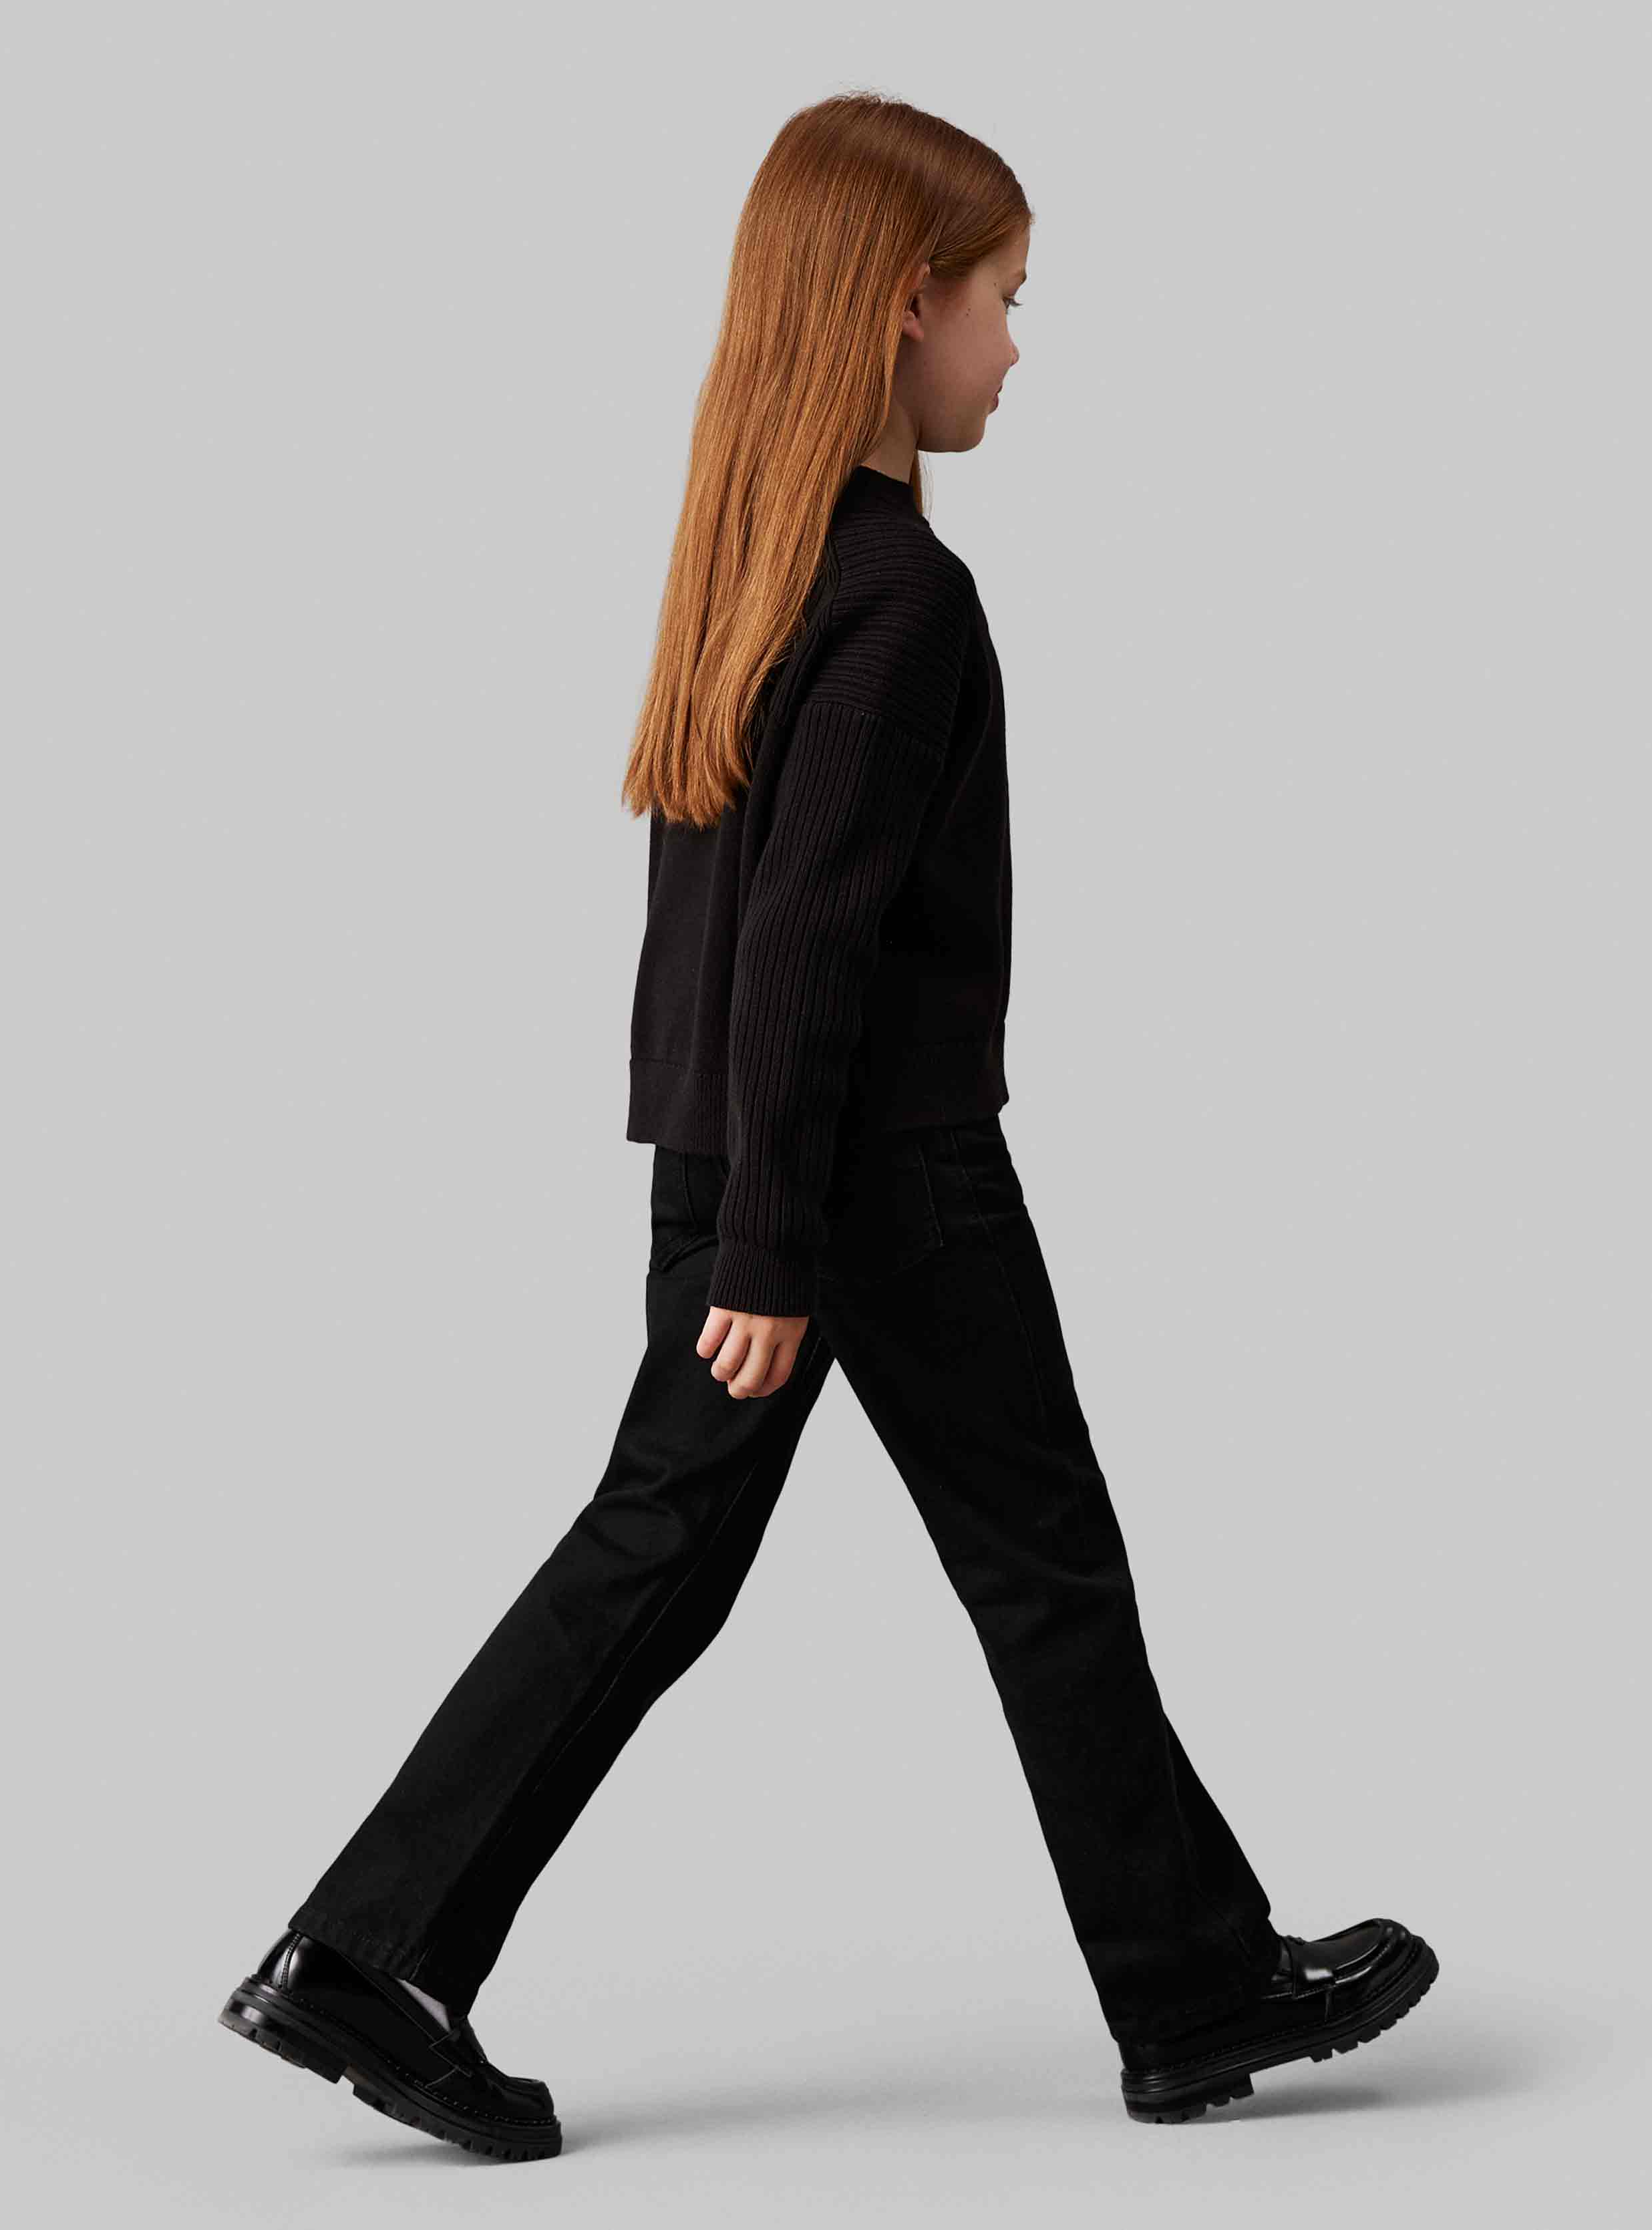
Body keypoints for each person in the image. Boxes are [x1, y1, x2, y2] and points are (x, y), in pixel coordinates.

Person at [215, 89, 1438, 2161]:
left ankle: (376, 1952)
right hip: (874, 1175)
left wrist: (734, 1201)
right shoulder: (899, 600)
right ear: (902, 308)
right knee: (1035, 1562)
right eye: (1006, 298)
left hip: (753, 1161)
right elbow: (805, 945)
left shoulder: (754, 573)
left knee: (685, 1552)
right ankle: (1187, 1983)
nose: (1019, 349)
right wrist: (780, 1243)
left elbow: (726, 941)